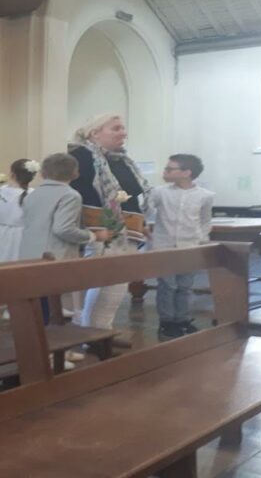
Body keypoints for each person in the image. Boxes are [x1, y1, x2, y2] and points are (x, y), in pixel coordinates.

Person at [68, 113, 151, 335]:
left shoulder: (120, 160)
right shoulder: (81, 156)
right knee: (103, 283)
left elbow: (132, 195)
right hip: (99, 231)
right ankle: (92, 334)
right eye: (116, 128)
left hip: (127, 231)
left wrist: (141, 222)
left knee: (117, 285)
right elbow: (75, 194)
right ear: (94, 133)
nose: (123, 133)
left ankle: (101, 332)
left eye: (123, 128)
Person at [19, 153, 111, 351]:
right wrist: (94, 236)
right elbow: (63, 229)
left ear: (42, 173)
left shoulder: (32, 194)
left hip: (29, 256)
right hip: (53, 257)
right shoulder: (70, 195)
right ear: (76, 173)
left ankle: (53, 352)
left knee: (41, 307)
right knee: (49, 311)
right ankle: (47, 355)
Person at [147, 154, 214, 339]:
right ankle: (167, 322)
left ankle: (182, 319)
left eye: (170, 169)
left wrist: (200, 240)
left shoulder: (205, 196)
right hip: (164, 245)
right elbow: (145, 209)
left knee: (185, 285)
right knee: (167, 284)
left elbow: (205, 220)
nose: (165, 172)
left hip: (190, 245)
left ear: (186, 173)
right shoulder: (160, 192)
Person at [0, 159, 38, 264]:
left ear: (12, 174)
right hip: (25, 236)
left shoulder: (0, 191)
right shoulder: (34, 194)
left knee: (1, 262)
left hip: (2, 235)